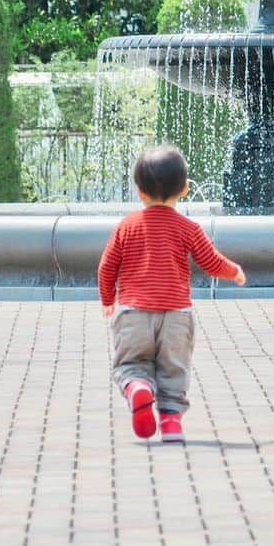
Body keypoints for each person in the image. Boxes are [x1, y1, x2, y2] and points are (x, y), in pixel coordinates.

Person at [98, 145, 246, 442]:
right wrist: (234, 271)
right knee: (173, 371)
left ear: (139, 191)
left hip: (133, 314)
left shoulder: (127, 227)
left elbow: (106, 267)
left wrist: (107, 300)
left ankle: (138, 388)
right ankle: (171, 424)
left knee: (130, 365)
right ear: (185, 189)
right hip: (176, 316)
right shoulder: (187, 228)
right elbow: (211, 262)